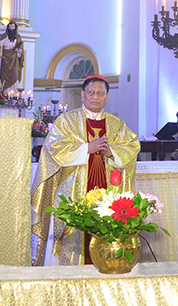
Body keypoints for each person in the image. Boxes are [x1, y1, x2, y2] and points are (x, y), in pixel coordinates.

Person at [31, 75, 139, 265]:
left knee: (107, 229)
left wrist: (110, 152)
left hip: (109, 190)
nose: (95, 97)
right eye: (91, 92)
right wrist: (87, 148)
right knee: (74, 234)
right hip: (75, 190)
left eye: (100, 93)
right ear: (82, 94)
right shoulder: (67, 120)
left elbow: (132, 147)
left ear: (107, 97)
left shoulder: (117, 124)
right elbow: (53, 148)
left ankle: (107, 267)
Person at [0, 20, 24, 92]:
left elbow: (21, 49)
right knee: (5, 75)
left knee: (15, 74)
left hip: (14, 58)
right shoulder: (4, 36)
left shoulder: (18, 37)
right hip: (5, 58)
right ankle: (6, 91)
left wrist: (19, 51)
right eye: (10, 26)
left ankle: (14, 92)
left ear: (15, 27)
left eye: (13, 26)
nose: (11, 28)